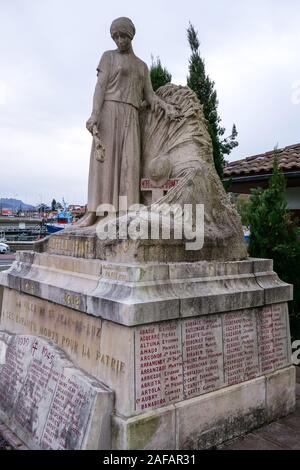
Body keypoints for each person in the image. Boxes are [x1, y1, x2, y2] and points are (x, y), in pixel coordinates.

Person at [77, 17, 180, 228]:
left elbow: (149, 96)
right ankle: (95, 212)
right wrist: (95, 114)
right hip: (108, 112)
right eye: (115, 36)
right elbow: (100, 87)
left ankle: (124, 212)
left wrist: (165, 106)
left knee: (129, 164)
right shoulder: (108, 57)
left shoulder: (142, 67)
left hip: (131, 116)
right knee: (103, 165)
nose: (119, 40)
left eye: (122, 36)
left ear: (131, 36)